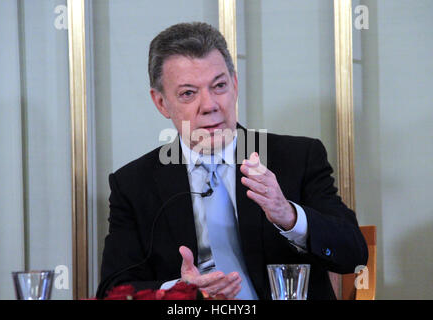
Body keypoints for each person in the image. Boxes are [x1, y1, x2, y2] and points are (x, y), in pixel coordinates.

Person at [98, 22, 368, 300]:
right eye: (188, 93)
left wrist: (289, 215)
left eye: (219, 86)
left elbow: (354, 255)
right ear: (161, 103)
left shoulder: (297, 157)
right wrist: (179, 291)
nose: (210, 105)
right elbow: (113, 289)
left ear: (235, 85)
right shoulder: (133, 184)